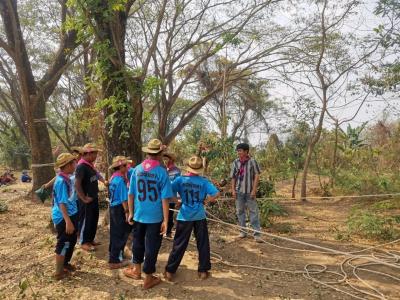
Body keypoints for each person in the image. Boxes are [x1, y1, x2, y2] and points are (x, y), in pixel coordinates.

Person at [123, 139, 173, 290]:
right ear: (160, 154)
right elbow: (165, 199)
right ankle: (148, 278)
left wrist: (130, 212)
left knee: (137, 242)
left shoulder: (137, 169)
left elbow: (130, 194)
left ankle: (136, 270)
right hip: (155, 217)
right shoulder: (162, 172)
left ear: (147, 153)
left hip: (138, 215)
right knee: (152, 246)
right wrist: (166, 219)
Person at [164, 155, 219, 282]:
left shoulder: (180, 180)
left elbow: (168, 191)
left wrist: (176, 201)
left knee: (179, 244)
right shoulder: (204, 181)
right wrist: (206, 200)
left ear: (188, 168)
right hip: (199, 215)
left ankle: (169, 271)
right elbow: (216, 193)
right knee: (202, 242)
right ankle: (203, 270)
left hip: (184, 215)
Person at [51, 153, 78, 280]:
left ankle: (65, 264)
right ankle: (58, 272)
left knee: (71, 240)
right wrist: (67, 221)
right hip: (63, 217)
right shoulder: (61, 181)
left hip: (71, 213)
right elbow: (61, 202)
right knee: (64, 242)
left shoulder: (67, 177)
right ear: (67, 165)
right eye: (73, 163)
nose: (75, 165)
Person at [230, 143, 262, 242]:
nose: (238, 153)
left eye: (240, 151)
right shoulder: (235, 162)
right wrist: (233, 190)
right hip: (239, 191)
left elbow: (257, 176)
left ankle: (257, 234)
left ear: (246, 151)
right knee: (240, 211)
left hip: (249, 191)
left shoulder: (253, 162)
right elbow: (233, 177)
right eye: (237, 151)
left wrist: (254, 190)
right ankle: (243, 232)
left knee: (253, 211)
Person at [75, 143, 102, 252]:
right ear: (89, 154)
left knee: (93, 219)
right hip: (86, 200)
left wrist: (104, 181)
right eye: (95, 154)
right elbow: (77, 184)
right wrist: (83, 198)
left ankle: (90, 239)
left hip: (93, 197)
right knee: (86, 220)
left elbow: (96, 175)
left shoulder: (90, 165)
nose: (96, 157)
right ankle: (84, 242)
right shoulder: (81, 166)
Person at [108, 156, 131, 269]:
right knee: (120, 233)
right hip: (119, 208)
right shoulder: (120, 180)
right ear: (120, 166)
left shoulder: (113, 178)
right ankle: (114, 260)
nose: (127, 167)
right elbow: (123, 198)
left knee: (115, 232)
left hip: (113, 207)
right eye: (126, 165)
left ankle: (116, 254)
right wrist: (127, 212)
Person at [163, 152, 181, 238]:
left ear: (171, 160)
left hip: (171, 197)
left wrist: (178, 198)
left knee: (169, 214)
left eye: (166, 158)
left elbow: (178, 184)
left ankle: (168, 232)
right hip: (161, 197)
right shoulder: (161, 169)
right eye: (164, 158)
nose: (165, 160)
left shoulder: (176, 170)